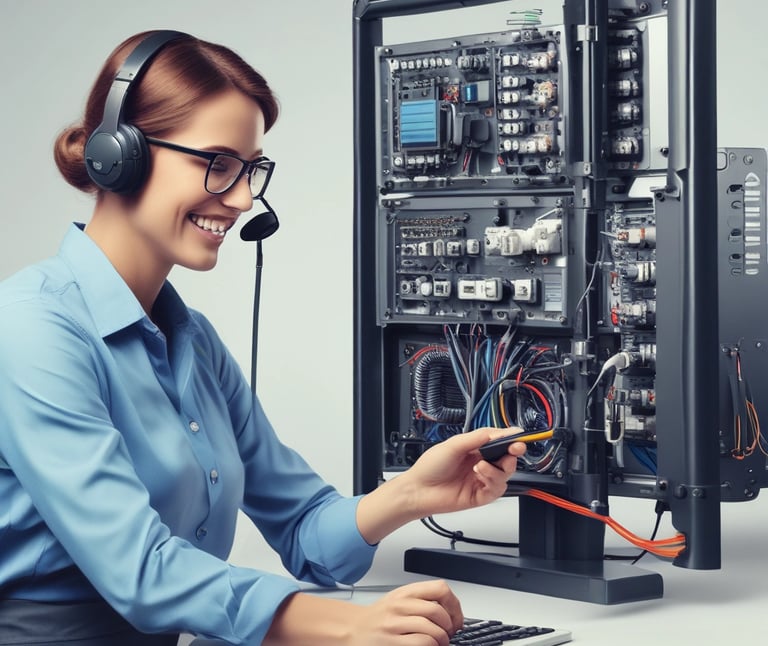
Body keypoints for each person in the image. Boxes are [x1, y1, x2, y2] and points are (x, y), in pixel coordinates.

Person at [0, 30, 526, 646]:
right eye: (219, 164)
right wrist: (350, 629)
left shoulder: (192, 341)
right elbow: (140, 572)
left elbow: (306, 531)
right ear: (120, 154)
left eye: (251, 170)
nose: (245, 198)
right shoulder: (31, 329)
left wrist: (414, 491)